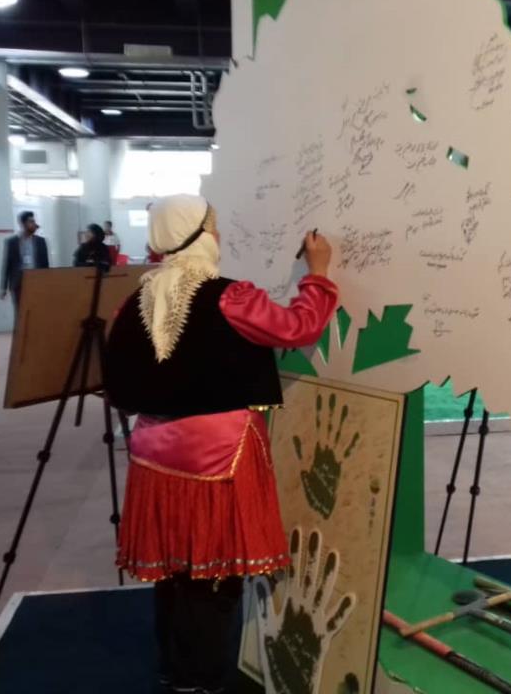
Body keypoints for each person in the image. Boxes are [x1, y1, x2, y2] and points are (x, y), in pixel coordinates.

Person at [103, 195, 336, 694]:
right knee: (214, 572)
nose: (220, 235)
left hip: (153, 455)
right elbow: (299, 328)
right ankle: (206, 678)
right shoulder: (231, 297)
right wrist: (317, 274)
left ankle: (175, 670)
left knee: (173, 569)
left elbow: (119, 384)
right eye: (214, 226)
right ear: (200, 235)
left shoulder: (133, 303)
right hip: (218, 456)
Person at [0, 211, 49, 306]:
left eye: (34, 221)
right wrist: (3, 287)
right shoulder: (12, 242)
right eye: (31, 222)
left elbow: (45, 265)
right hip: (19, 283)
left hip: (37, 282)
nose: (34, 224)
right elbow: (7, 265)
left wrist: (47, 283)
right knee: (21, 311)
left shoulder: (41, 242)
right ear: (23, 224)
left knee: (38, 309)